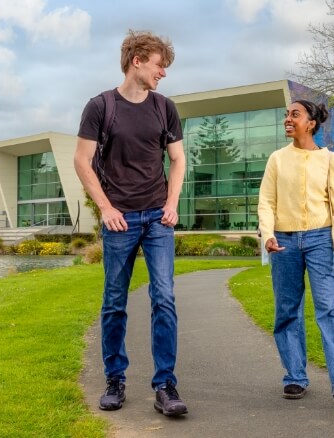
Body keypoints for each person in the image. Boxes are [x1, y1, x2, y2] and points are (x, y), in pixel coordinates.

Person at [74, 30, 187, 417]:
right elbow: (81, 160)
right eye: (159, 65)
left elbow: (178, 159)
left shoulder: (164, 107)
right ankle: (115, 380)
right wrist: (106, 208)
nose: (163, 73)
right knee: (114, 302)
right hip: (119, 219)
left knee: (165, 298)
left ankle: (165, 385)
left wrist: (172, 203)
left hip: (157, 217)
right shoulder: (100, 106)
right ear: (137, 60)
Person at [257, 100, 334, 408]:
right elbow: (266, 202)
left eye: (295, 114)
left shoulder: (329, 160)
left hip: (321, 240)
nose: (287, 119)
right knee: (287, 310)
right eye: (286, 115)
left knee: (330, 308)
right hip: (284, 242)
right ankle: (294, 377)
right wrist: (269, 234)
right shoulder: (277, 159)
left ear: (311, 123)